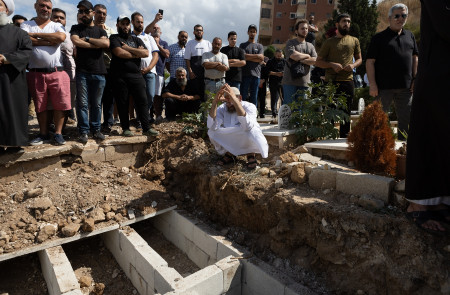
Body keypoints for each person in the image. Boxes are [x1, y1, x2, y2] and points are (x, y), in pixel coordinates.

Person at [405, 0, 450, 235]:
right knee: (427, 134)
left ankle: (440, 201)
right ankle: (418, 204)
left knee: (444, 137)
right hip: (436, 76)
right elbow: (445, 25)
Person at [366, 3, 418, 141]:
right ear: (389, 18)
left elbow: (415, 58)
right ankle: (377, 147)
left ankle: (404, 149)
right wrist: (372, 84)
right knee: (378, 119)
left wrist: (415, 78)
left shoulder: (410, 36)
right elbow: (370, 62)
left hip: (406, 88)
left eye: (404, 15)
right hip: (383, 88)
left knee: (406, 120)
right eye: (397, 16)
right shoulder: (378, 38)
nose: (401, 18)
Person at [21, 0, 71, 146]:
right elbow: (25, 40)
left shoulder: (56, 25)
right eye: (42, 5)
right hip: (35, 73)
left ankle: (58, 133)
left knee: (60, 104)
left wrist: (35, 35)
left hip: (57, 71)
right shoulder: (26, 25)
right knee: (40, 105)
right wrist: (50, 40)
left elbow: (60, 38)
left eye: (48, 7)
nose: (45, 9)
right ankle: (43, 134)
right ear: (35, 6)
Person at [109, 14, 158, 137]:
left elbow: (146, 53)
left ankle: (146, 128)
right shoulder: (114, 38)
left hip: (136, 75)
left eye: (127, 24)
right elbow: (119, 53)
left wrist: (128, 48)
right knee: (122, 102)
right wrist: (136, 53)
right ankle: (126, 128)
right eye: (123, 24)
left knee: (143, 101)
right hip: (120, 76)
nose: (125, 27)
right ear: (118, 25)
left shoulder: (136, 39)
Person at [315, 13, 361, 138]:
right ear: (337, 24)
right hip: (331, 82)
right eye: (344, 21)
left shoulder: (354, 40)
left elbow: (359, 59)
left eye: (348, 21)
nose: (347, 23)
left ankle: (344, 138)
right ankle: (329, 137)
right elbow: (318, 62)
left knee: (346, 111)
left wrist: (353, 65)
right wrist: (331, 65)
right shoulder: (329, 42)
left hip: (348, 80)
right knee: (330, 111)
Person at [70, 0, 109, 143]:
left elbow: (105, 43)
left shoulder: (100, 30)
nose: (83, 14)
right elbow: (76, 41)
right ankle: (84, 131)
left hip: (99, 72)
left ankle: (96, 130)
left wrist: (87, 39)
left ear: (92, 13)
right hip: (82, 72)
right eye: (80, 11)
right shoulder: (75, 28)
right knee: (82, 104)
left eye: (86, 11)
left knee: (97, 104)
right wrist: (95, 44)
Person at [207, 84, 268, 170]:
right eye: (227, 101)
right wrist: (215, 102)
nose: (228, 104)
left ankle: (250, 154)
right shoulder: (223, 108)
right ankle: (230, 153)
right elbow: (211, 126)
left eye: (231, 100)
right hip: (233, 136)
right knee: (212, 132)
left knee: (251, 130)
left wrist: (235, 102)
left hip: (245, 134)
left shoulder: (250, 106)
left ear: (239, 98)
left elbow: (247, 126)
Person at [0, 0, 32, 154]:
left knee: (12, 109)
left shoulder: (19, 33)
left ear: (6, 9)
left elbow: (26, 53)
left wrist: (5, 58)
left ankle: (14, 143)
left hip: (11, 79)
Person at [130, 11, 159, 124]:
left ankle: (144, 116)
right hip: (135, 73)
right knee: (138, 97)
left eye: (142, 22)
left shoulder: (149, 38)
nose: (140, 24)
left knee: (150, 96)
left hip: (150, 72)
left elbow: (155, 55)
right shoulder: (129, 37)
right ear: (132, 22)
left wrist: (148, 68)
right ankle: (140, 119)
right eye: (138, 22)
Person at [281, 19, 317, 106]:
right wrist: (307, 56)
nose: (305, 30)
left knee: (303, 110)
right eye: (302, 28)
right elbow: (293, 55)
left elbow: (315, 60)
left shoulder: (310, 45)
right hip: (290, 82)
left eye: (306, 28)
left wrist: (299, 59)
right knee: (289, 109)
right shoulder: (290, 43)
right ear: (296, 31)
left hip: (305, 82)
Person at [94, 4, 117, 133]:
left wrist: (95, 43)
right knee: (94, 100)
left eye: (104, 14)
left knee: (108, 98)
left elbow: (113, 47)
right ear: (93, 13)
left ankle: (108, 123)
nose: (102, 16)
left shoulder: (111, 31)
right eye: (99, 13)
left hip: (108, 68)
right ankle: (95, 124)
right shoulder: (88, 29)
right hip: (92, 67)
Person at [51, 8, 76, 125]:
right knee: (51, 102)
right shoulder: (45, 34)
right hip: (51, 73)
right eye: (56, 17)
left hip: (69, 74)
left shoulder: (71, 36)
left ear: (65, 21)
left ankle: (63, 128)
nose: (59, 20)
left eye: (62, 18)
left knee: (67, 101)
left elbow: (76, 54)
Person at [239, 24, 264, 107]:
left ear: (256, 33)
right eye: (251, 31)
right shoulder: (243, 45)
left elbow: (261, 59)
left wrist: (248, 57)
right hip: (245, 74)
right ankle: (241, 115)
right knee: (243, 96)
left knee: (254, 97)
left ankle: (253, 116)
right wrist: (256, 56)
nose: (252, 33)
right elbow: (243, 57)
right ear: (248, 32)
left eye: (254, 32)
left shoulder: (260, 46)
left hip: (256, 75)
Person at [185, 24, 211, 100]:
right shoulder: (190, 43)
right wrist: (190, 72)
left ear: (203, 32)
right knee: (195, 95)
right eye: (197, 30)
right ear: (194, 32)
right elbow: (187, 59)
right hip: (194, 74)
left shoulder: (208, 43)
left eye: (200, 30)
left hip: (206, 74)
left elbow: (210, 58)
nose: (199, 32)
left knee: (205, 95)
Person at [266, 49, 286, 117]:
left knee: (284, 98)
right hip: (273, 82)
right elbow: (267, 72)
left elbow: (288, 72)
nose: (279, 57)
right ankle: (274, 112)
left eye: (280, 55)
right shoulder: (270, 61)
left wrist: (282, 73)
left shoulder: (284, 61)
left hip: (283, 82)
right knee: (274, 98)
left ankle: (284, 112)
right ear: (275, 54)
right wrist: (276, 73)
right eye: (278, 55)